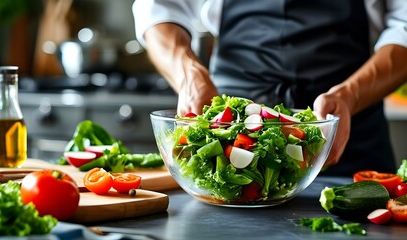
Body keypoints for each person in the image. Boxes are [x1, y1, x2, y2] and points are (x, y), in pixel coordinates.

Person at [132, 0, 407, 176]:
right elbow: (159, 7)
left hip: (347, 133)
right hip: (228, 134)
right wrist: (187, 72)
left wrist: (351, 95)